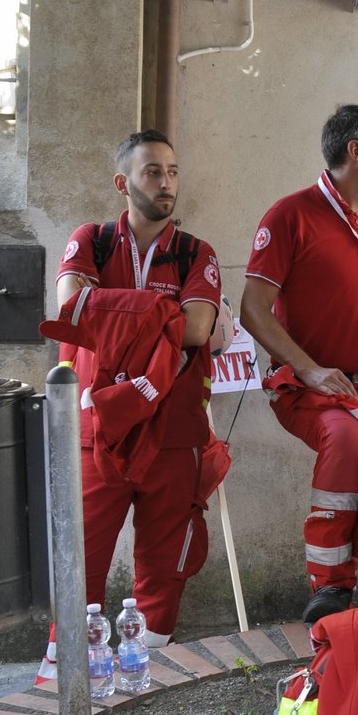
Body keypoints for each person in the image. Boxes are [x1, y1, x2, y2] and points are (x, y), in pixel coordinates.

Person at [54, 129, 223, 647]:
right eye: (152, 172)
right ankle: (73, 677)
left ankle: (148, 670)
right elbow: (73, 312)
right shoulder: (91, 239)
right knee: (81, 558)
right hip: (98, 428)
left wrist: (114, 309)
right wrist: (162, 314)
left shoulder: (196, 252)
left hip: (173, 430)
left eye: (172, 171)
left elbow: (198, 329)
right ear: (122, 182)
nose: (166, 182)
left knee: (163, 567)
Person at [242, 105, 358, 625]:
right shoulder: (290, 214)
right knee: (347, 441)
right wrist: (309, 369)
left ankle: (356, 581)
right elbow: (253, 311)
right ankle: (330, 585)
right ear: (356, 151)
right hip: (309, 387)